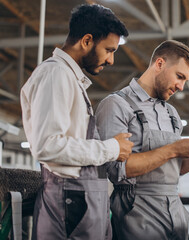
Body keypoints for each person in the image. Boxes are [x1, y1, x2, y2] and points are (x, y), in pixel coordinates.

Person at [96, 40, 189, 240]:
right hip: (136, 212)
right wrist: (172, 149)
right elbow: (117, 170)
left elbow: (176, 169)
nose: (181, 86)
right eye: (179, 76)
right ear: (159, 64)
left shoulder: (171, 114)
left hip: (175, 212)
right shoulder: (117, 105)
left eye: (185, 80)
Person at [20, 4, 133, 240]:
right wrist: (111, 148)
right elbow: (48, 145)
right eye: (109, 50)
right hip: (69, 205)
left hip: (80, 202)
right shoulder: (55, 75)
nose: (111, 60)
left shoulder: (70, 78)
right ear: (86, 41)